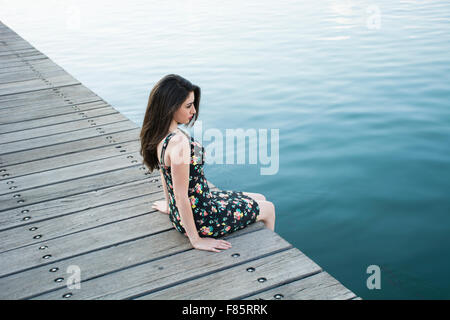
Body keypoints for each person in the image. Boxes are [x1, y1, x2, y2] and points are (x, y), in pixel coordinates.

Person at [140, 74, 276, 253]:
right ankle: (269, 253)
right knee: (269, 208)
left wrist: (170, 206)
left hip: (197, 206)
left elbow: (165, 175)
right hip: (204, 219)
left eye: (194, 104)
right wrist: (196, 240)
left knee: (259, 197)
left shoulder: (161, 136)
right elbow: (181, 196)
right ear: (170, 107)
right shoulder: (179, 143)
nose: (194, 111)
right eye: (188, 106)